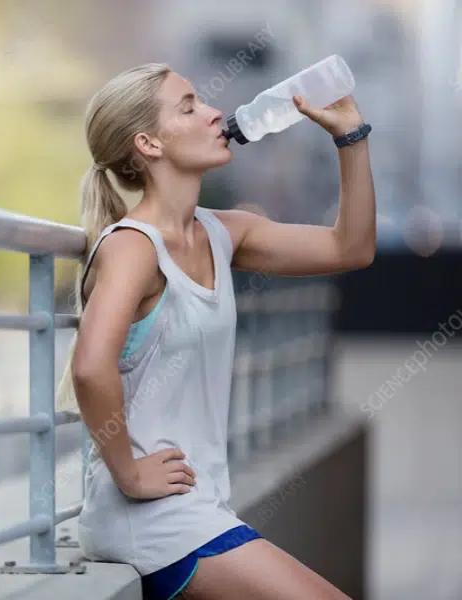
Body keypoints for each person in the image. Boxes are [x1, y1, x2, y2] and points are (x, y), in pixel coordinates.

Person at [56, 62, 375, 600]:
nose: (214, 113)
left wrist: (350, 136)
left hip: (200, 509)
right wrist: (129, 473)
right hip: (155, 523)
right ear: (149, 144)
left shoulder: (222, 232)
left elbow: (351, 248)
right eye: (189, 106)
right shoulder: (133, 246)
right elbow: (90, 366)